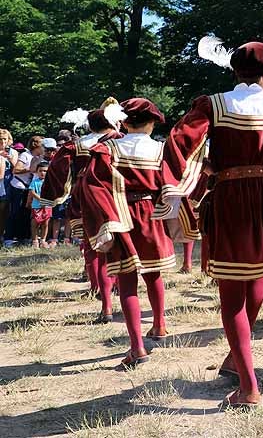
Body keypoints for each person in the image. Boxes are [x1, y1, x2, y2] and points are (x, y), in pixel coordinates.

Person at [155, 39, 263, 408]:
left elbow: (179, 142)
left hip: (230, 196)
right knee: (257, 278)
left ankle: (248, 386)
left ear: (236, 71)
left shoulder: (213, 104)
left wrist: (176, 185)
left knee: (232, 290)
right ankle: (238, 362)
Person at [78, 98, 180, 370]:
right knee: (153, 273)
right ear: (152, 123)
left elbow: (92, 184)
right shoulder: (160, 149)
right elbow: (172, 185)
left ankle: (136, 347)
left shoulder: (108, 148)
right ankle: (159, 325)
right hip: (152, 214)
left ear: (122, 121)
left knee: (127, 280)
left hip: (120, 214)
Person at [41, 103, 124, 322]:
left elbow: (57, 170)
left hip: (82, 196)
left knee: (90, 244)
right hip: (111, 194)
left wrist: (54, 193)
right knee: (112, 245)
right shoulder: (119, 139)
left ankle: (97, 287)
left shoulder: (76, 145)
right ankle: (112, 288)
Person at [27, 162, 53, 248]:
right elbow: (32, 192)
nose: (43, 173)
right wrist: (40, 199)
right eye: (40, 171)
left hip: (47, 206)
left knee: (45, 224)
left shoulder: (50, 182)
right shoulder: (34, 182)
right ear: (37, 172)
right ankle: (35, 240)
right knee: (35, 223)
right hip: (36, 206)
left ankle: (43, 240)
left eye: (45, 171)